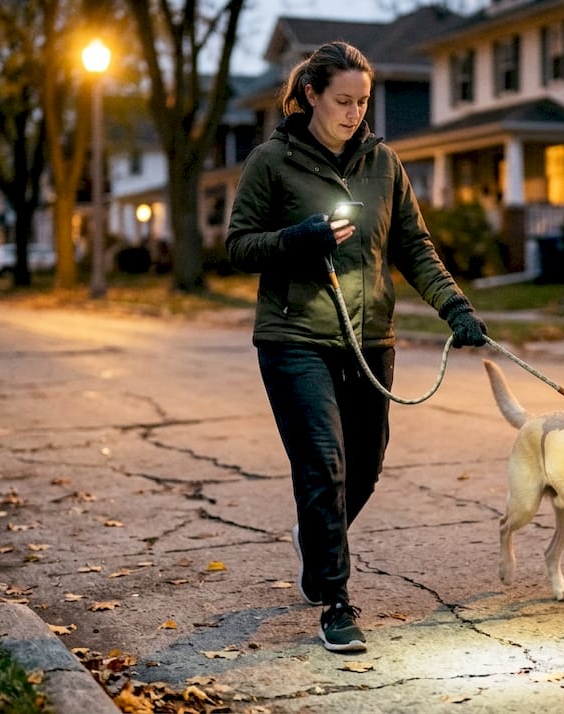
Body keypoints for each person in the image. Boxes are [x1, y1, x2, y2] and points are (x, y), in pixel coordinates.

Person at [226, 41, 488, 653]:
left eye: (362, 101)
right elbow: (239, 246)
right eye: (342, 100)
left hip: (369, 340)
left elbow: (415, 248)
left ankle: (315, 540)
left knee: (364, 467)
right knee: (324, 463)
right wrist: (297, 239)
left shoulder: (384, 163)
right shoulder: (271, 161)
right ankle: (336, 601)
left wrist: (455, 308)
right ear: (311, 95)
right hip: (294, 337)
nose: (353, 112)